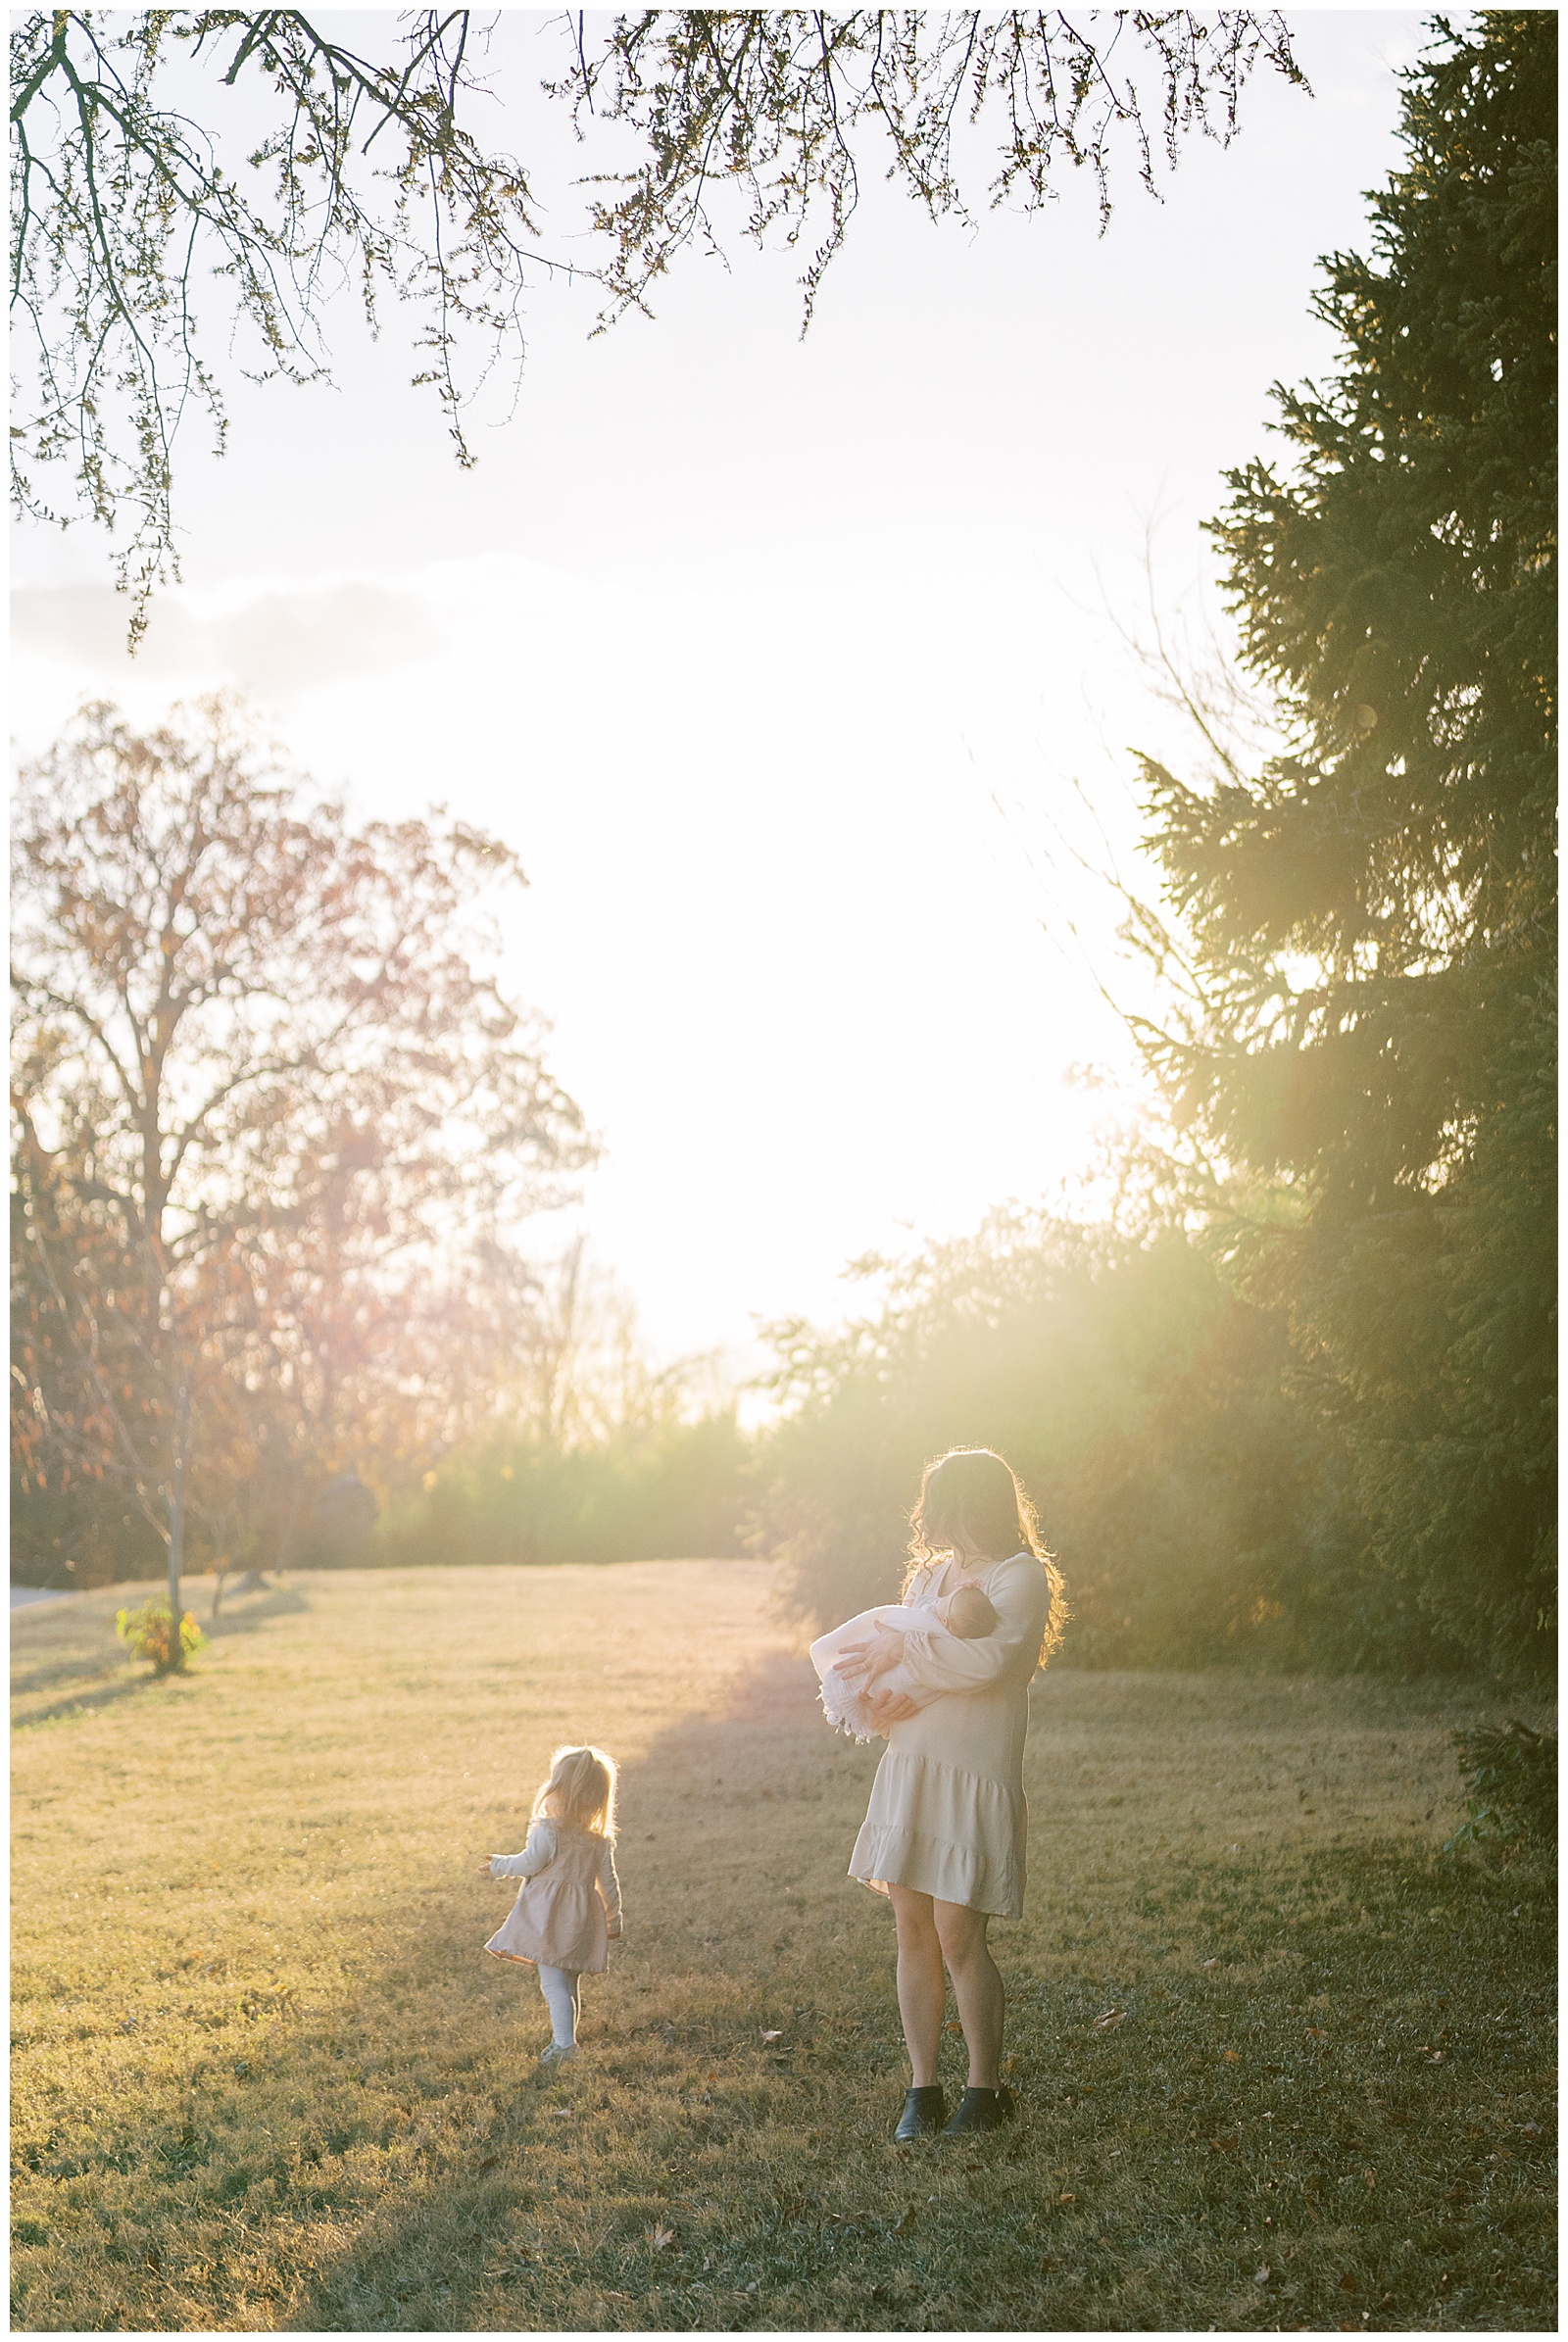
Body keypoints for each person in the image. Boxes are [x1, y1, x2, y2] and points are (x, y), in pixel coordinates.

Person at [832, 1447, 1064, 2140]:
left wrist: (903, 1654)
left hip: (973, 1772)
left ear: (971, 1504)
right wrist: (880, 1691)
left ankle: (986, 2091)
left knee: (959, 1935)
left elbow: (987, 1663)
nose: (926, 1516)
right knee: (913, 1930)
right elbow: (893, 1654)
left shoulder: (1019, 1578)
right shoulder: (929, 1578)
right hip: (914, 1768)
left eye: (939, 1501)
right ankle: (922, 2088)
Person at [479, 1743, 622, 2065]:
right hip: (583, 1919)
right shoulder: (598, 1840)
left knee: (552, 1982)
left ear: (559, 1791)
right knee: (569, 1981)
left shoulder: (548, 1832)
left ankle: (564, 2046)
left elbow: (530, 1863)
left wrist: (499, 1865)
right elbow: (609, 1885)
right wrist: (614, 1921)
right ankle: (566, 2040)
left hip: (551, 1918)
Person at [809, 1582, 1000, 1741]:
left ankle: (851, 1692)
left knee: (884, 1679)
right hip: (907, 1738)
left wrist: (901, 1644)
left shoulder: (934, 1630)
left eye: (947, 1600)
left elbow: (921, 1608)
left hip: (928, 1730)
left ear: (947, 1623)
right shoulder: (927, 1576)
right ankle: (854, 1696)